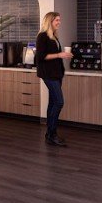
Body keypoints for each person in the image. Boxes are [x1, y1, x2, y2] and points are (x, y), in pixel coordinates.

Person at [35, 12, 73, 146]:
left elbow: (54, 55)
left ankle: (49, 134)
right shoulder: (42, 36)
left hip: (57, 74)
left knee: (52, 103)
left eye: (59, 20)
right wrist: (59, 55)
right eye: (57, 20)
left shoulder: (54, 36)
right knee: (59, 102)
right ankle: (52, 134)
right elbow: (41, 56)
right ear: (49, 21)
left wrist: (62, 55)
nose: (59, 22)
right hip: (48, 74)